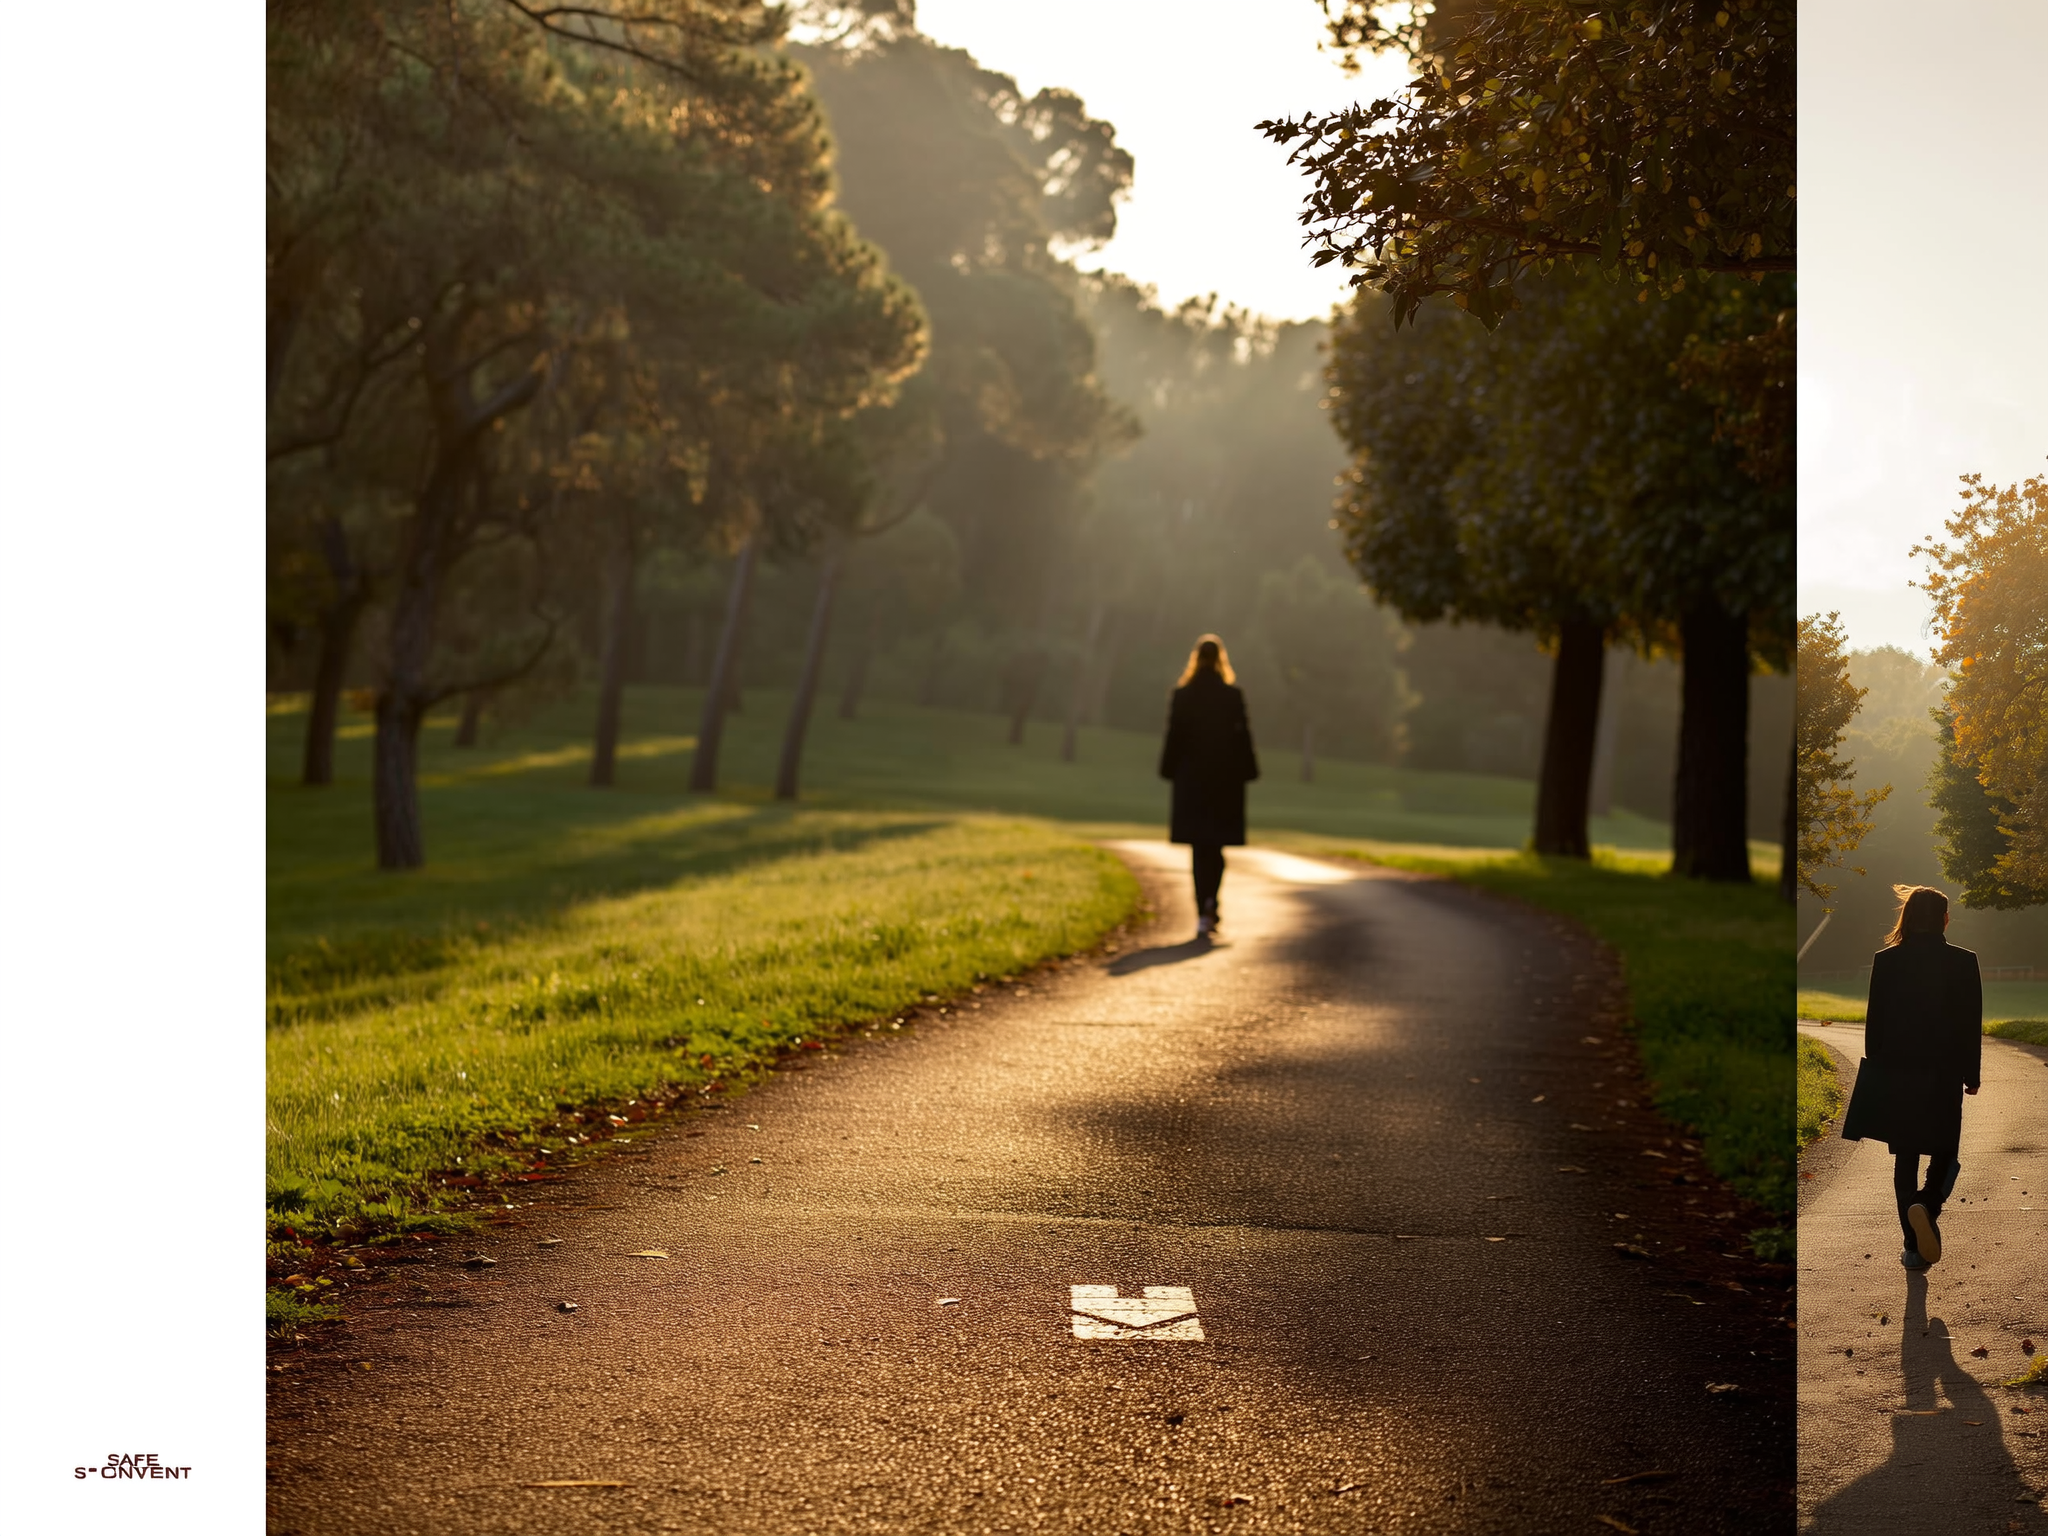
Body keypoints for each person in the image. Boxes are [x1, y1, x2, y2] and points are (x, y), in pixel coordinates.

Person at [1840, 884, 1982, 1270]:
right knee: (1945, 1149)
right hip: (1946, 1071)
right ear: (1945, 919)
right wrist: (1973, 1073)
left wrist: (1877, 1065)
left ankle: (1911, 1245)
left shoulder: (1886, 961)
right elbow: (1970, 1024)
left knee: (1905, 1156)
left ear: (1908, 918)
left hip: (1898, 1070)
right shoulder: (1964, 961)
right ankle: (1929, 1203)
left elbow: (1875, 1023)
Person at [1157, 634, 1260, 937]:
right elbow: (1243, 738)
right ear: (1220, 659)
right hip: (1225, 782)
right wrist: (1249, 771)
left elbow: (1174, 736)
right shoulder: (1232, 696)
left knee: (1198, 847)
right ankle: (1212, 900)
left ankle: (1202, 905)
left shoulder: (1183, 695)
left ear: (1196, 658)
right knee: (1215, 847)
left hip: (1192, 781)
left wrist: (1168, 770)